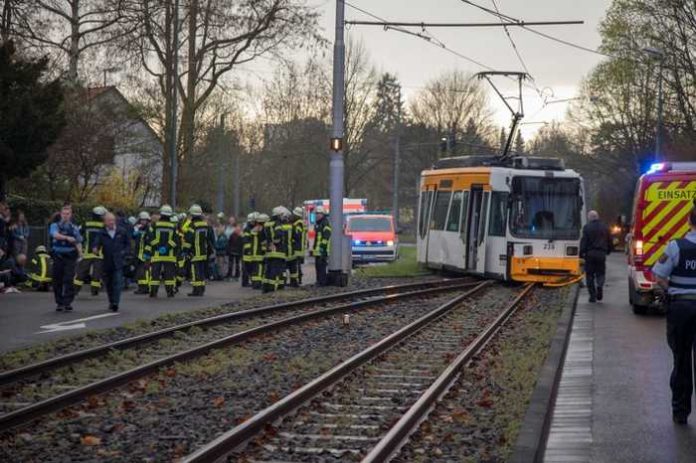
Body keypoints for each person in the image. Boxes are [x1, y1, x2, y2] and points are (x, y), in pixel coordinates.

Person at [653, 205, 696, 425]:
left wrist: (669, 288)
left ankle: (681, 411)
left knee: (681, 361)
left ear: (690, 221)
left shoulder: (675, 247)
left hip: (681, 311)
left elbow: (658, 275)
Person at [49, 205, 82, 311]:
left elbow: (78, 241)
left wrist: (81, 255)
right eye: (64, 214)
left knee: (68, 279)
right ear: (60, 214)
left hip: (70, 256)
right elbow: (55, 235)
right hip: (58, 255)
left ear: (71, 215)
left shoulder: (74, 228)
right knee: (57, 279)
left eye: (68, 214)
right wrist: (67, 238)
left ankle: (67, 302)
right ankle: (59, 303)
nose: (65, 216)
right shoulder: (55, 225)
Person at [95, 213, 130, 311]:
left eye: (112, 220)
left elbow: (128, 244)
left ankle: (115, 303)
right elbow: (97, 243)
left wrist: (124, 252)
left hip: (118, 261)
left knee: (118, 282)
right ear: (105, 222)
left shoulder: (121, 231)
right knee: (109, 284)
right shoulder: (101, 233)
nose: (111, 222)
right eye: (109, 220)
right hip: (107, 262)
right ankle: (111, 301)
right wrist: (95, 248)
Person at [183, 204, 215, 296]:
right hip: (203, 252)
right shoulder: (204, 225)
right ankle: (202, 289)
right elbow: (209, 239)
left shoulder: (192, 225)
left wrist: (185, 251)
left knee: (195, 272)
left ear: (192, 215)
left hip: (195, 253)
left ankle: (196, 290)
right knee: (201, 271)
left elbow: (188, 240)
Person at [580, 210, 612, 303]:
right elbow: (609, 240)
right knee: (600, 272)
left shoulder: (587, 228)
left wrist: (581, 253)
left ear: (590, 218)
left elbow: (584, 241)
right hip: (601, 254)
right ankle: (600, 286)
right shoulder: (605, 227)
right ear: (597, 217)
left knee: (589, 275)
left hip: (590, 254)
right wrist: (609, 250)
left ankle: (592, 296)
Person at [74, 206, 107, 296]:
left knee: (81, 272)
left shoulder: (86, 224)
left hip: (87, 252)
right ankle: (94, 290)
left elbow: (78, 234)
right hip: (99, 253)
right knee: (97, 273)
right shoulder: (104, 226)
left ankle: (75, 290)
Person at [147, 205, 178, 298]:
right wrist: (167, 247)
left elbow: (150, 239)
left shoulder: (154, 225)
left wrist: (158, 247)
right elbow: (175, 241)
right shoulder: (173, 226)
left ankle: (153, 292)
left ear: (161, 214)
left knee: (155, 275)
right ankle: (170, 292)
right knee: (169, 275)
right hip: (169, 255)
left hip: (156, 255)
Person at [132, 211, 152, 294]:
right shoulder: (139, 229)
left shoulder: (149, 230)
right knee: (139, 273)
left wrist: (147, 253)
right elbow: (134, 238)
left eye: (144, 220)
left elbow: (150, 242)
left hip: (145, 255)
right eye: (141, 220)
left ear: (148, 221)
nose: (142, 222)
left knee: (143, 272)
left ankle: (145, 288)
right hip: (138, 254)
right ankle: (141, 288)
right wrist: (135, 231)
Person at [313, 206, 331, 286]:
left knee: (321, 267)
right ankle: (319, 281)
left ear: (322, 214)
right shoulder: (319, 224)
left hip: (322, 250)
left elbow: (326, 237)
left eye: (318, 214)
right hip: (318, 251)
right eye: (316, 214)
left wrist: (322, 248)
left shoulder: (325, 223)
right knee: (318, 267)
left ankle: (322, 282)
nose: (317, 215)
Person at [291, 207, 306, 286]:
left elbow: (297, 236)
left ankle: (297, 280)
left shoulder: (298, 224)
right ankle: (298, 279)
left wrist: (292, 239)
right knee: (298, 264)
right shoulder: (300, 223)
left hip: (297, 248)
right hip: (300, 248)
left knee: (296, 265)